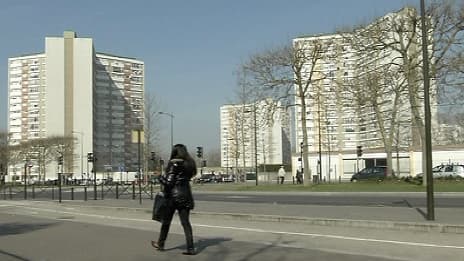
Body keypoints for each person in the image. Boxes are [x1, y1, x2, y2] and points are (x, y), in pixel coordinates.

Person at [151, 144, 197, 255]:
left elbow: (168, 183)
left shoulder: (174, 164)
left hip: (172, 197)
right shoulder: (190, 164)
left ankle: (161, 244)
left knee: (166, 222)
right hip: (186, 195)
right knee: (186, 223)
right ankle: (191, 248)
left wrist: (159, 176)